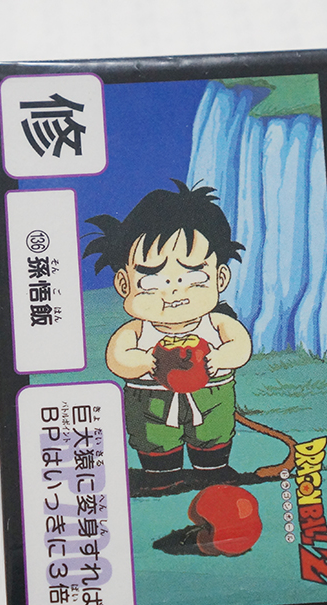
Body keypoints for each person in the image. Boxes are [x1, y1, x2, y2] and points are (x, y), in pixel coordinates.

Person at [84, 180, 251, 490]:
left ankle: (212, 468)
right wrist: (143, 362)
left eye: (193, 276)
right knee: (154, 437)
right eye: (151, 280)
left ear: (220, 277)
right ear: (124, 285)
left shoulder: (217, 323)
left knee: (214, 432)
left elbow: (240, 346)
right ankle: (161, 473)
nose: (174, 291)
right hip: (150, 398)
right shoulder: (137, 330)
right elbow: (117, 358)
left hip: (212, 393)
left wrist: (220, 357)